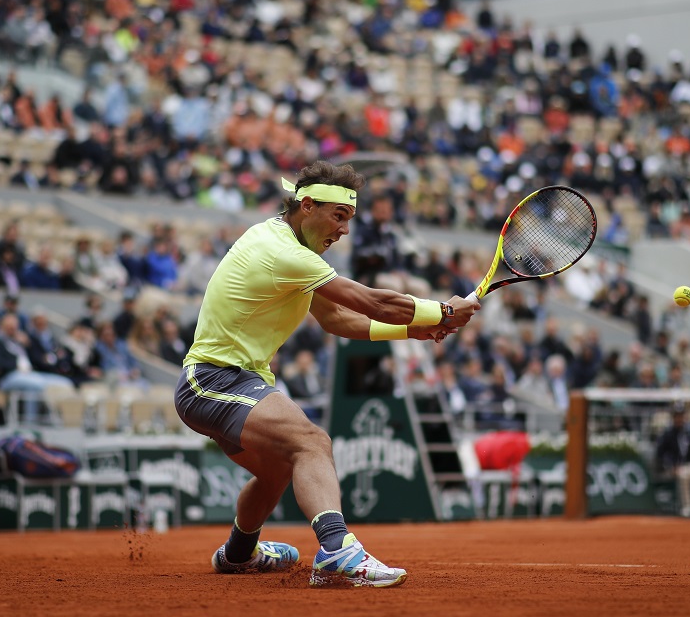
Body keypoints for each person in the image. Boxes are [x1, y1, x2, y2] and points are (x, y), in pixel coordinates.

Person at [175, 161, 477, 587]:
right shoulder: (282, 252)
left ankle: (238, 554)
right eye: (339, 216)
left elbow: (336, 319)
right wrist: (441, 311)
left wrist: (412, 329)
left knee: (280, 467)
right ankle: (337, 550)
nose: (345, 230)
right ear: (308, 205)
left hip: (238, 381)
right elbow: (372, 302)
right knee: (311, 441)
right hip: (211, 381)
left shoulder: (291, 248)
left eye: (350, 219)